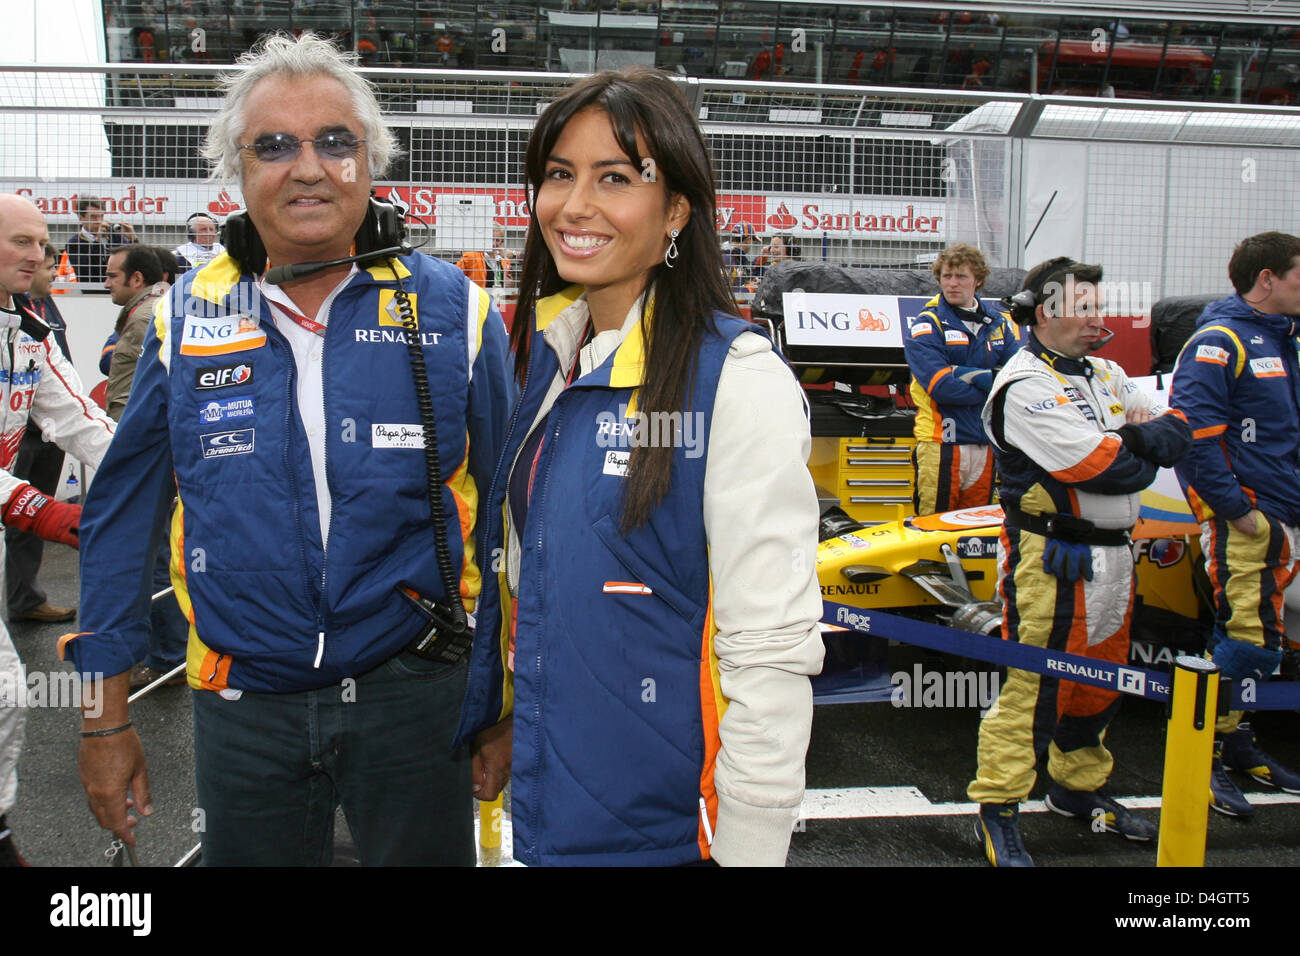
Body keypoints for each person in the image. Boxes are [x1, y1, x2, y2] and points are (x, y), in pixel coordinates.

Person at [67, 32, 514, 866]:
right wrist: (104, 719)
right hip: (243, 705)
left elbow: (516, 525)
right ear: (236, 174)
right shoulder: (181, 320)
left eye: (335, 142)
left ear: (372, 164)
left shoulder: (459, 310)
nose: (307, 167)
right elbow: (120, 524)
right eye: (273, 146)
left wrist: (505, 699)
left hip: (418, 696)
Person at [456, 66, 825, 866]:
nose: (575, 205)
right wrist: (522, 720)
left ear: (677, 211)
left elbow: (771, 649)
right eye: (560, 175)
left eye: (615, 178)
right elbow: (552, 587)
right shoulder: (556, 357)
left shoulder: (739, 379)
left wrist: (752, 848)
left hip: (675, 835)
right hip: (556, 812)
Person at [968, 257, 1191, 866]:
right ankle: (999, 808)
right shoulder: (1024, 384)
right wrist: (1137, 443)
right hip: (1053, 559)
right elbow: (1106, 467)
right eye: (1085, 307)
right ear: (1047, 312)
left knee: (1100, 685)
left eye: (1100, 305)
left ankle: (1077, 788)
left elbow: (1176, 433)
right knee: (1036, 688)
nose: (1099, 318)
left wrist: (1137, 443)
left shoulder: (1108, 371)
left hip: (1118, 556)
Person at [0, 194, 117, 866]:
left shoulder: (29, 331)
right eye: (21, 242)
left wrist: (172, 476)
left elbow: (82, 423)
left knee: (8, 693)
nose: (39, 255)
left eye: (42, 242)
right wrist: (42, 511)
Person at [1170, 231, 1300, 818]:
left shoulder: (1285, 337)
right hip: (1249, 517)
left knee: (1263, 637)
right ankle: (1201, 759)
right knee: (1249, 643)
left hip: (1281, 512)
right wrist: (1236, 511)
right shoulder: (1218, 340)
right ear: (1267, 279)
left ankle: (1236, 741)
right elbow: (1192, 436)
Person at [101, 244, 188, 690]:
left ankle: (169, 654)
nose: (106, 282)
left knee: (156, 555)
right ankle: (166, 651)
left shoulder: (146, 316)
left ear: (137, 278)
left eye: (113, 275)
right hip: (141, 441)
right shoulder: (150, 310)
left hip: (143, 446)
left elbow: (140, 391)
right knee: (155, 552)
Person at [905, 243, 1022, 514]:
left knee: (975, 535)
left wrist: (966, 374)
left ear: (978, 280)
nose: (953, 283)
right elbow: (942, 387)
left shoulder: (998, 323)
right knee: (934, 530)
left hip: (986, 443)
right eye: (947, 276)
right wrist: (992, 382)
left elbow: (1015, 379)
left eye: (961, 277)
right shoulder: (927, 323)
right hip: (942, 445)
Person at [6, 245, 76, 624]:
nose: (51, 272)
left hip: (48, 434)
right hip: (23, 436)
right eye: (51, 268)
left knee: (28, 524)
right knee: (21, 514)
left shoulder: (45, 309)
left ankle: (25, 599)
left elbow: (64, 387)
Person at [64, 197, 137, 284]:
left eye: (101, 216)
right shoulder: (74, 243)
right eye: (93, 217)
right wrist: (97, 241)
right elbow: (87, 271)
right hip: (92, 293)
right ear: (81, 217)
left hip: (117, 290)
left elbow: (133, 262)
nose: (98, 221)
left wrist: (133, 240)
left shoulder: (114, 236)